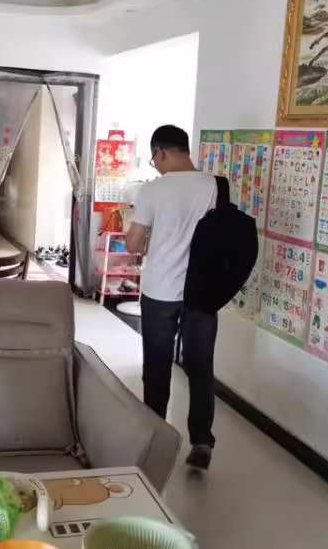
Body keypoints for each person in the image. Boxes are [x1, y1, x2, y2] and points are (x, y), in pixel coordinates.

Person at [126, 125, 218, 471]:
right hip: (202, 292)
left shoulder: (154, 189)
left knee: (157, 364)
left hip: (160, 290)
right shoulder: (214, 186)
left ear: (161, 152)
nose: (157, 165)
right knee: (201, 367)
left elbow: (134, 244)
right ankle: (202, 442)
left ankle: (157, 434)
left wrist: (147, 237)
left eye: (155, 159)